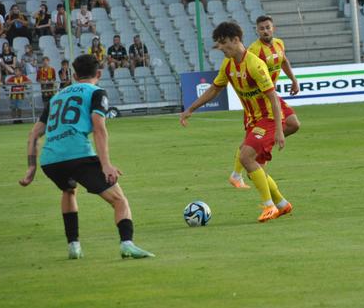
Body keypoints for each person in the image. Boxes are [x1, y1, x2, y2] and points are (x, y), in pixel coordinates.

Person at [19, 54, 154, 259]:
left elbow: (34, 134)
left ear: (74, 75)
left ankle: (74, 246)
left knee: (68, 190)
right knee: (119, 200)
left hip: (50, 161)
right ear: (98, 74)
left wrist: (31, 168)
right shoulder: (97, 92)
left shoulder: (57, 96)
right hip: (78, 155)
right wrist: (106, 164)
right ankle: (127, 244)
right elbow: (99, 128)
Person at [180, 22, 292, 222]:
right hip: (252, 120)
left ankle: (269, 207)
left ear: (236, 40)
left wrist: (279, 130)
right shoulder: (228, 65)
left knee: (246, 157)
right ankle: (282, 204)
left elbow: (273, 98)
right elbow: (214, 89)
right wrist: (190, 109)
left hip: (267, 118)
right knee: (254, 166)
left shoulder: (255, 65)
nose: (221, 48)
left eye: (224, 43)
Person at [227, 16, 301, 189]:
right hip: (258, 101)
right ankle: (237, 173)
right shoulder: (253, 50)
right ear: (257, 30)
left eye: (268, 27)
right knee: (251, 139)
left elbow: (284, 61)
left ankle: (258, 151)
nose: (265, 31)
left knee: (294, 124)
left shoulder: (279, 44)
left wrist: (294, 80)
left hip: (272, 96)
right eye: (262, 28)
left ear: (273, 28)